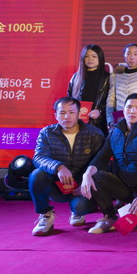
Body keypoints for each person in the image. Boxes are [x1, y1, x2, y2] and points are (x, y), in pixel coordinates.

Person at [81, 93, 137, 234]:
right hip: (124, 187)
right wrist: (86, 174)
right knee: (95, 176)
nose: (132, 111)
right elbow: (101, 157)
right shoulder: (115, 130)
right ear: (123, 109)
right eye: (129, 107)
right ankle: (109, 217)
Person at [29, 97, 105, 236]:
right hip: (57, 184)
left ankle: (77, 212)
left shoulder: (94, 134)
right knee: (37, 175)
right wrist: (59, 167)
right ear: (56, 115)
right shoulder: (47, 133)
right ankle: (45, 215)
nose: (67, 117)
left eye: (71, 112)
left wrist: (85, 183)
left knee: (81, 206)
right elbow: (38, 157)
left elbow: (101, 162)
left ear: (79, 114)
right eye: (62, 113)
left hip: (82, 185)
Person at [106, 43, 137, 127]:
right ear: (124, 55)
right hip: (119, 119)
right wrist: (110, 120)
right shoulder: (115, 74)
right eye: (128, 54)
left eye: (135, 54)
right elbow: (111, 100)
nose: (132, 57)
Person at [67, 44, 110, 135]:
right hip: (78, 122)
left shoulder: (108, 78)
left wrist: (99, 111)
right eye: (86, 56)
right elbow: (69, 98)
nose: (90, 59)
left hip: (99, 123)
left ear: (100, 58)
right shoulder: (76, 77)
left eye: (94, 56)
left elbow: (111, 101)